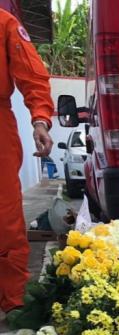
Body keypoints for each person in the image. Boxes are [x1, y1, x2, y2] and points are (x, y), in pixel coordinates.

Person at [0, 8, 54, 313]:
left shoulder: (4, 23)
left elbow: (32, 77)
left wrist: (40, 121)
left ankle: (13, 302)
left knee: (5, 218)